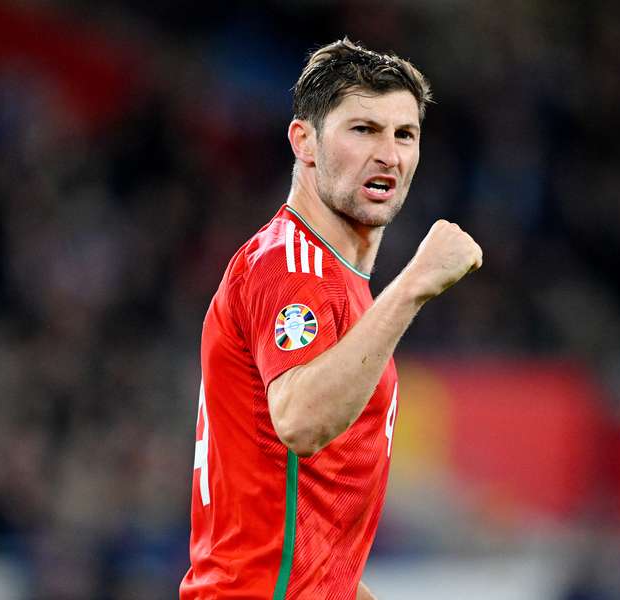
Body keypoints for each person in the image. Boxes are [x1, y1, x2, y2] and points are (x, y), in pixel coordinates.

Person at [180, 38, 483, 600]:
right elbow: (300, 420)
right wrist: (414, 285)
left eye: (404, 134)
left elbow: (303, 541)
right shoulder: (291, 265)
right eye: (362, 130)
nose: (388, 154)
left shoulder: (330, 277)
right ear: (305, 142)